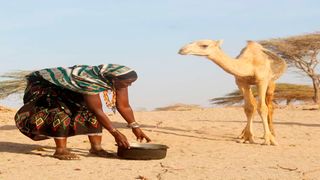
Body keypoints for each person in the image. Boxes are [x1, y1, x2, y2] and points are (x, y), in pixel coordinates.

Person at [14, 64, 151, 160]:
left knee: (89, 111)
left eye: (131, 83)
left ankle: (96, 148)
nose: (129, 85)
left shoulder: (119, 80)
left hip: (74, 87)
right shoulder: (89, 80)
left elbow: (123, 105)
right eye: (128, 83)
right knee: (60, 111)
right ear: (114, 80)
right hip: (47, 86)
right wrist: (116, 133)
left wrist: (135, 127)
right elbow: (96, 109)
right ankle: (60, 150)